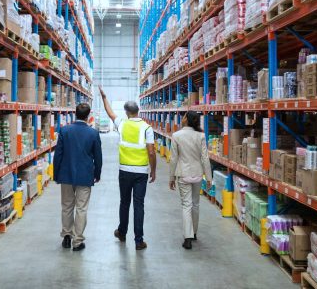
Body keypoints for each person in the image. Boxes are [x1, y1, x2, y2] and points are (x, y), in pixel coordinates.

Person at [98, 86, 156, 250]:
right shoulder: (147, 128)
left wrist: (104, 97)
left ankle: (122, 232)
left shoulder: (122, 124)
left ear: (126, 112)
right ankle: (139, 241)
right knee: (139, 205)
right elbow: (151, 152)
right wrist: (154, 170)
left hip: (124, 171)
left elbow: (110, 113)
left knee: (124, 202)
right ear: (138, 111)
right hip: (141, 172)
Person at [52, 103, 103, 251]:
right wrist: (97, 174)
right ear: (88, 116)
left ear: (75, 114)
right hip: (85, 175)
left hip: (66, 175)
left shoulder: (65, 130)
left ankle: (67, 237)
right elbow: (98, 157)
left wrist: (56, 174)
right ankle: (77, 241)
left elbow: (58, 154)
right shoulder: (93, 133)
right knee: (81, 208)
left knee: (67, 206)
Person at [169, 111, 212, 250]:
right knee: (196, 204)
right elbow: (205, 158)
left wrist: (171, 177)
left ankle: (187, 238)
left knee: (186, 205)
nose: (182, 118)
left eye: (184, 116)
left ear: (187, 119)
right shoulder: (200, 135)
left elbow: (174, 158)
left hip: (183, 174)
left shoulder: (176, 136)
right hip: (198, 174)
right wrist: (209, 177)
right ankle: (194, 233)